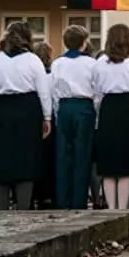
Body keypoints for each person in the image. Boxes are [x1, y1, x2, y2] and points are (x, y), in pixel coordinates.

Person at [0, 22, 52, 211]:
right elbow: (43, 91)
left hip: (3, 109)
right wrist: (47, 117)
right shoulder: (33, 60)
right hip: (28, 109)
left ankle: (2, 208)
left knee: (1, 159)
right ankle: (24, 206)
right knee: (26, 159)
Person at [94, 24, 129, 211]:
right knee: (126, 165)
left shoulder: (100, 62)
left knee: (108, 165)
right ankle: (123, 208)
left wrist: (98, 117)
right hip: (128, 109)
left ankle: (111, 208)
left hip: (108, 109)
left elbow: (97, 92)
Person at [50, 25, 97, 210]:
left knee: (63, 155)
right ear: (84, 44)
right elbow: (96, 89)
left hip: (64, 107)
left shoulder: (57, 63)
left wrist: (55, 113)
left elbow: (53, 90)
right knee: (82, 155)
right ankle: (79, 200)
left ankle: (63, 199)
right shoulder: (91, 64)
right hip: (84, 106)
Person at [32, 41, 56, 209]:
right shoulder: (51, 75)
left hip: (33, 117)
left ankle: (36, 194)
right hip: (50, 118)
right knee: (49, 159)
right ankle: (47, 194)